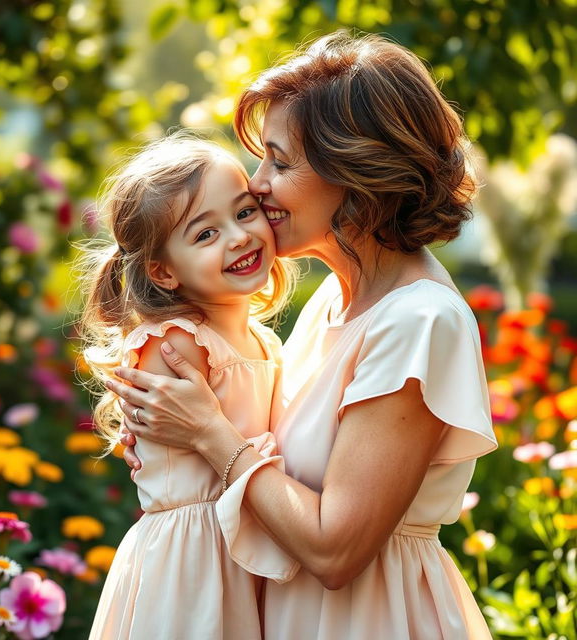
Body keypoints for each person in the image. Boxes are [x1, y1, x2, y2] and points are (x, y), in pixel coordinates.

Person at [110, 31, 498, 639]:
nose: (256, 183)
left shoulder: (418, 320)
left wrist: (209, 432)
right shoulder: (331, 301)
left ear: (358, 169)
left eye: (280, 161)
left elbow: (335, 550)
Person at [81, 133, 300, 640]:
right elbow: (152, 431)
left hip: (249, 542)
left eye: (245, 213)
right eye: (205, 235)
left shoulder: (264, 341)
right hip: (192, 560)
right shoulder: (176, 343)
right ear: (163, 272)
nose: (239, 237)